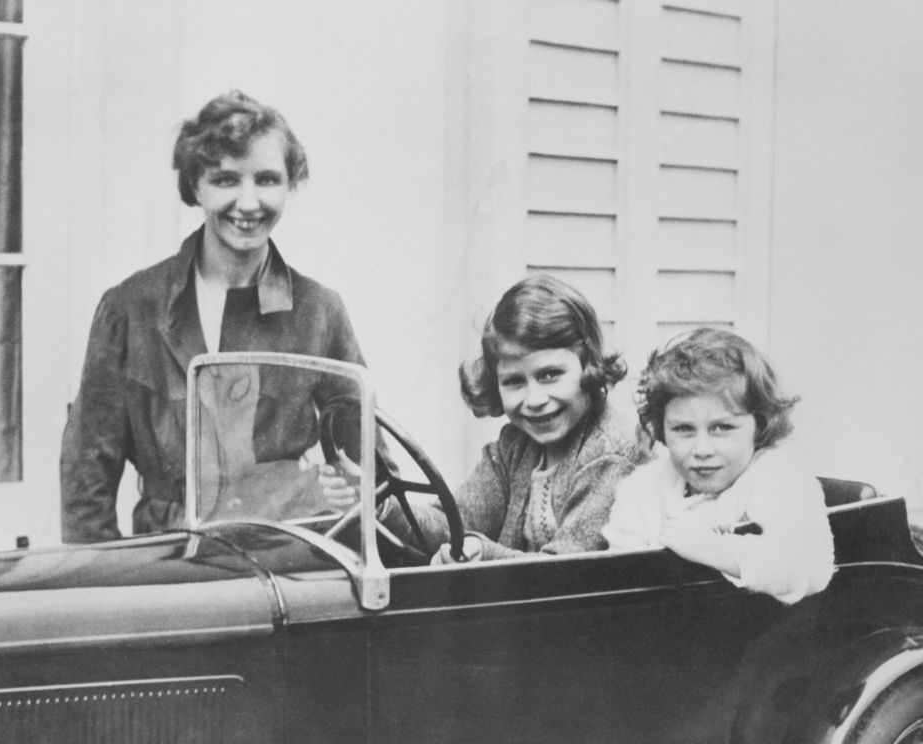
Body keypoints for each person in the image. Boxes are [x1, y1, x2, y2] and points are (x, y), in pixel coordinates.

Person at [61, 91, 361, 543]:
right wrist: (106, 592)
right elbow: (87, 479)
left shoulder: (320, 311)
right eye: (224, 179)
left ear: (289, 184)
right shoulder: (129, 308)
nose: (248, 202)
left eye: (266, 179)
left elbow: (368, 463)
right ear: (194, 186)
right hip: (169, 566)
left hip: (289, 560)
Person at [381, 274, 648, 563]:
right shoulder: (514, 448)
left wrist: (483, 552)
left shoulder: (612, 453)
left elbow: (568, 572)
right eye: (514, 381)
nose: (534, 400)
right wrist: (380, 504)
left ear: (589, 365)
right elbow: (453, 524)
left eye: (550, 375)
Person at [602, 328, 835, 604]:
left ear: (759, 424)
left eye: (722, 428)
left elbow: (808, 565)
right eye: (684, 429)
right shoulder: (641, 488)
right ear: (661, 429)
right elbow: (621, 582)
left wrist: (712, 548)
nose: (702, 450)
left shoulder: (778, 474)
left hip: (761, 633)